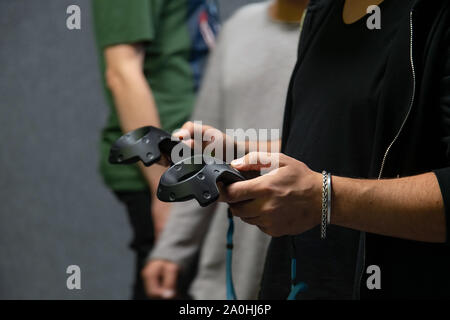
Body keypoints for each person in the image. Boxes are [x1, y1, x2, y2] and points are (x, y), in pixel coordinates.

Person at [179, 0, 450, 299]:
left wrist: (324, 198)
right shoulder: (324, 11)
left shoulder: (435, 16)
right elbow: (332, 142)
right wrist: (238, 153)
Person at [142, 0, 309, 300]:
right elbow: (200, 153)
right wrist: (172, 249)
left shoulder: (343, 40)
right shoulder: (238, 29)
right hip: (229, 269)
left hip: (303, 260)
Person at [92, 0, 219, 299]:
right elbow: (122, 74)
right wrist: (164, 184)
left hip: (195, 161)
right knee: (169, 283)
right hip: (167, 168)